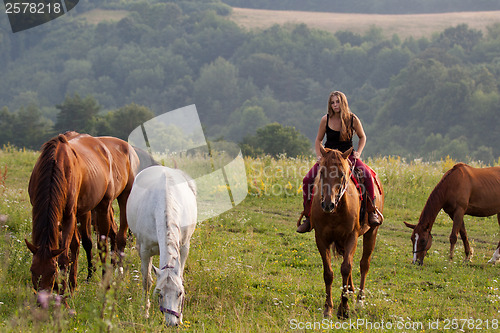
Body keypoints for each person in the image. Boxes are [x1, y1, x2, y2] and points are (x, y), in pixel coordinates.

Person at [297, 91, 381, 233]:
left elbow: (362, 137)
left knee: (367, 175)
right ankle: (308, 216)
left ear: (343, 103)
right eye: (332, 102)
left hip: (347, 156)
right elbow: (318, 140)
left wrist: (358, 152)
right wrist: (319, 156)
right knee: (307, 180)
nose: (335, 105)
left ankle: (371, 211)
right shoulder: (326, 119)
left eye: (337, 102)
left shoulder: (352, 119)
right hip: (328, 157)